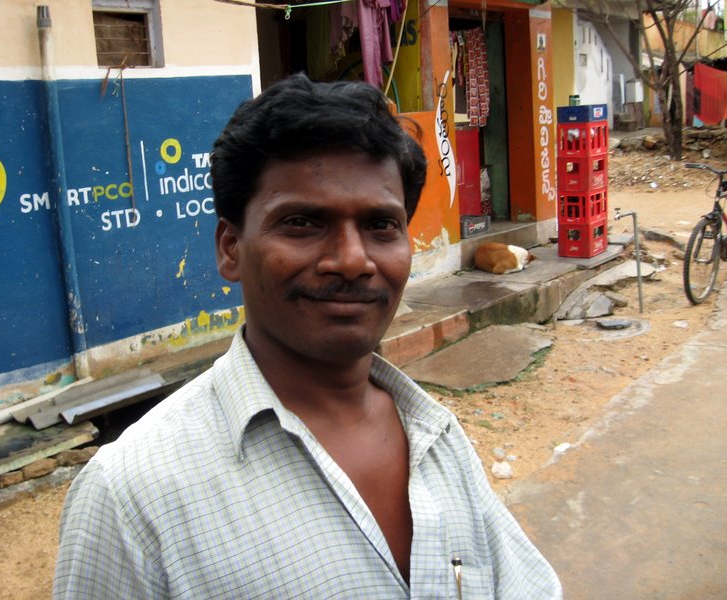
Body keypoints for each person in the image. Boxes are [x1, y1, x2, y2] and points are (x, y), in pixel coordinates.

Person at [53, 73, 562, 599]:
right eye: (301, 223)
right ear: (230, 248)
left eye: (381, 226)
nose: (352, 260)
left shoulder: (437, 435)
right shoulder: (130, 496)